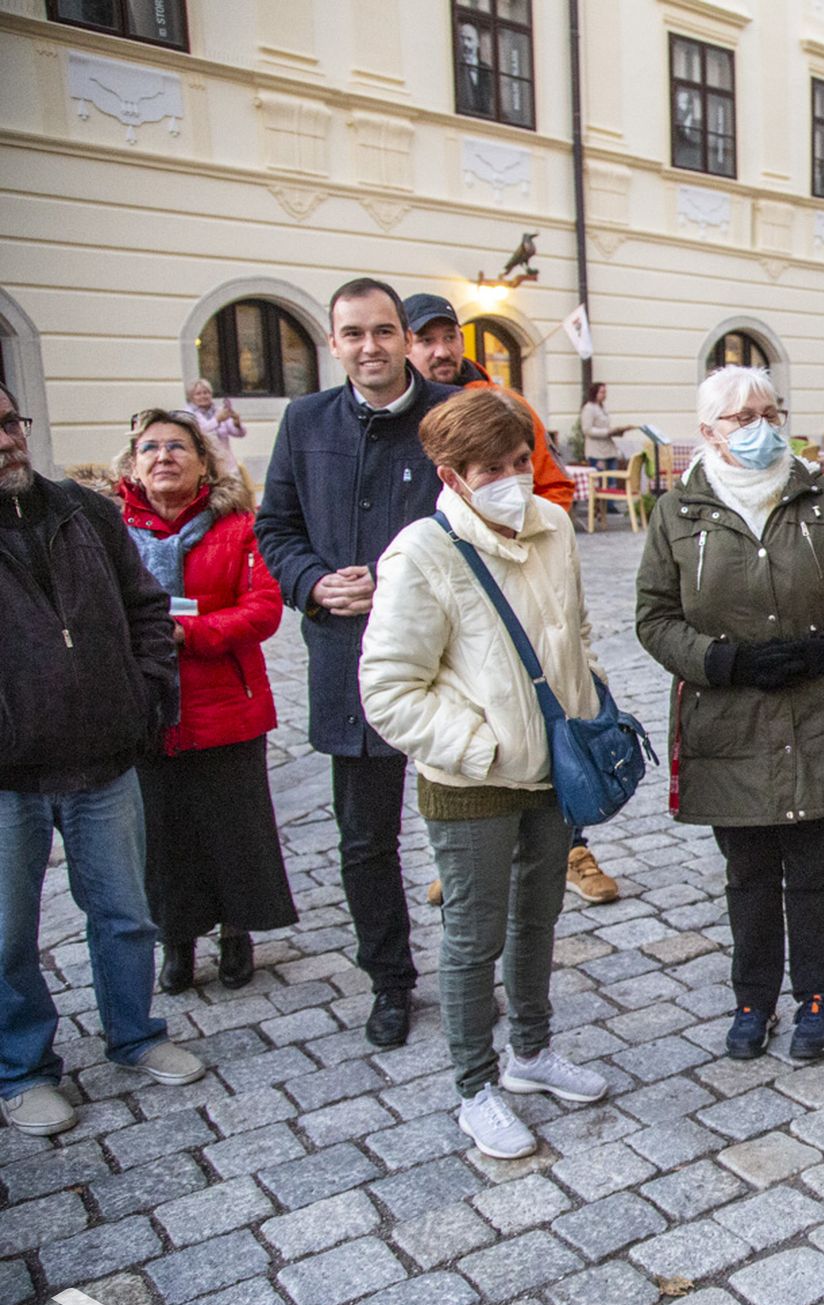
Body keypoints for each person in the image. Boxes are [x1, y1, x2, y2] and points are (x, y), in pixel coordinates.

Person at [358, 388, 611, 1158]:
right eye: (490, 468)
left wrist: (583, 704)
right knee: (473, 937)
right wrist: (479, 746)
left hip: (551, 771)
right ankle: (475, 1088)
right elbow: (389, 688)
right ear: (453, 475)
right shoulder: (422, 553)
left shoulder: (554, 526)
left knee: (538, 919)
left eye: (518, 462)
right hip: (471, 778)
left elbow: (573, 629)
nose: (511, 478)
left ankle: (531, 1054)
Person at [635, 366, 824, 1062]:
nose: (759, 429)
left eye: (768, 413)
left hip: (817, 714)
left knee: (815, 868)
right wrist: (722, 662)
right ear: (708, 433)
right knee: (747, 872)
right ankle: (753, 998)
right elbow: (654, 619)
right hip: (727, 722)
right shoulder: (676, 513)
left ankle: (818, 996)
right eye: (741, 418)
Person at [256, 277, 459, 1049]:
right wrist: (312, 582)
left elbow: (486, 525)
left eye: (383, 331)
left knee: (466, 831)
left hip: (447, 660)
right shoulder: (306, 420)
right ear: (333, 343)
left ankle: (473, 974)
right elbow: (274, 527)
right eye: (354, 334)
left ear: (407, 339)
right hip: (349, 660)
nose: (369, 347)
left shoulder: (447, 415)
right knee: (365, 839)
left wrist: (403, 581)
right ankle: (390, 980)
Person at [0, 383, 203, 1136]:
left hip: (104, 759)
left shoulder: (82, 512)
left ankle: (136, 1034)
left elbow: (147, 607)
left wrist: (149, 693)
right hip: (8, 778)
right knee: (7, 935)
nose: (7, 441)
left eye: (9, 423)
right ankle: (22, 1070)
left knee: (123, 914)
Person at [404, 293, 619, 907]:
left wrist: (526, 524)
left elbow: (547, 482)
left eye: (451, 336)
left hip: (516, 590)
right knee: (452, 747)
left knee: (552, 730)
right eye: (428, 339)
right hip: (444, 603)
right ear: (407, 345)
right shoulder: (393, 420)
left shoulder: (504, 403)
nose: (441, 350)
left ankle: (573, 849)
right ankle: (466, 858)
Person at [111, 409, 296, 995]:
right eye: (150, 448)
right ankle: (177, 941)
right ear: (133, 465)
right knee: (163, 839)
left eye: (177, 447)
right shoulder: (110, 531)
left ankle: (237, 931)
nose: (163, 456)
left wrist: (192, 634)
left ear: (203, 462)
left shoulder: (239, 527)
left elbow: (262, 608)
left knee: (235, 831)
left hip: (227, 708)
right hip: (147, 713)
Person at [182, 377, 246, 476]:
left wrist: (237, 423)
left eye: (206, 393)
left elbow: (239, 434)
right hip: (204, 464)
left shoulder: (219, 410)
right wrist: (217, 420)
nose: (203, 396)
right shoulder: (188, 413)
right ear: (191, 397)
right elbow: (198, 432)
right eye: (198, 394)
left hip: (227, 464)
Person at [579, 381, 634, 468]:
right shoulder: (589, 408)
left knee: (612, 479)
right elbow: (587, 430)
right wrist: (607, 432)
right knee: (601, 479)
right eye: (602, 392)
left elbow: (605, 427)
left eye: (605, 392)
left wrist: (618, 431)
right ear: (594, 393)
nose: (604, 395)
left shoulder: (602, 408)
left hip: (609, 450)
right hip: (596, 451)